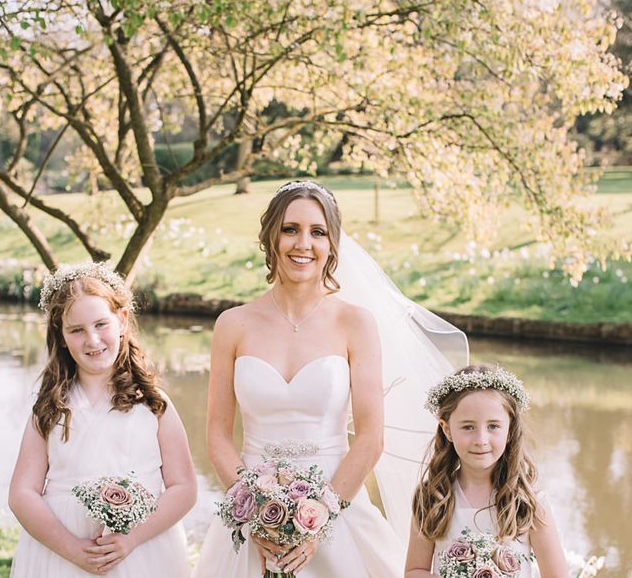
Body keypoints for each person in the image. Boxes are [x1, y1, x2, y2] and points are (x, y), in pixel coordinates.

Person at [193, 180, 467, 577]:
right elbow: (218, 436)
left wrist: (319, 515)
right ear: (271, 236)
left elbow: (371, 437)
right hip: (252, 516)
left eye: (317, 232)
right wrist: (252, 511)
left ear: (331, 243)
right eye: (290, 229)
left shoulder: (354, 323)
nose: (302, 243)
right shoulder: (232, 325)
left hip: (337, 506)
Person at [9, 262, 196, 577]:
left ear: (122, 320)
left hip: (141, 552)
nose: (93, 340)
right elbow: (22, 493)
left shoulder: (153, 404)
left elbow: (184, 487)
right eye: (77, 330)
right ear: (62, 335)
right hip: (62, 555)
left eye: (101, 324)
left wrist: (131, 539)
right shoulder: (49, 407)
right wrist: (72, 549)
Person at [405, 364, 568, 578]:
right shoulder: (433, 496)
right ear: (447, 430)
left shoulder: (529, 502)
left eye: (493, 426)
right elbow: (415, 571)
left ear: (510, 429)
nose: (481, 440)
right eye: (468, 427)